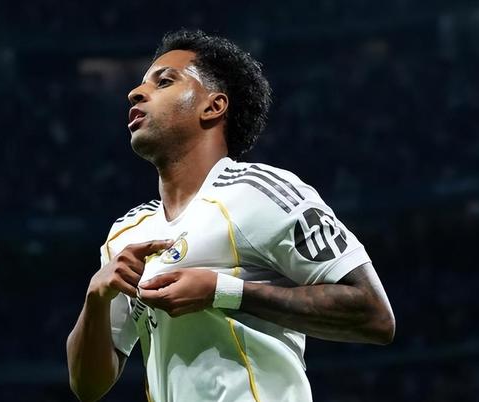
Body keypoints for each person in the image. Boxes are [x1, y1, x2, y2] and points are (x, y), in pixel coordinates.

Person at [66, 29, 395, 402]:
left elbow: (374, 315)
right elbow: (87, 387)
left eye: (164, 81)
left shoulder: (259, 192)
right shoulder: (126, 234)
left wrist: (221, 291)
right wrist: (96, 297)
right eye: (142, 84)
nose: (136, 93)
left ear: (213, 106)